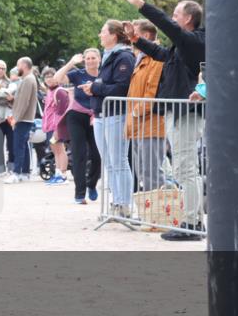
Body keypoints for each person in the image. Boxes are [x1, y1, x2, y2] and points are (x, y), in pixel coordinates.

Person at [121, 0, 206, 240]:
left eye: (177, 14)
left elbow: (166, 26)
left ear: (188, 18)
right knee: (182, 168)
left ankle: (192, 223)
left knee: (185, 168)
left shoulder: (193, 41)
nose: (172, 18)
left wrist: (140, 4)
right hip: (174, 112)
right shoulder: (180, 46)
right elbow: (160, 53)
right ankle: (191, 220)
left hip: (187, 114)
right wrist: (135, 39)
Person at [79, 21, 135, 216]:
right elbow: (107, 84)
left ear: (113, 35)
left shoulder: (124, 56)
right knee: (109, 162)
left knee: (119, 161)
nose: (100, 35)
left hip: (116, 114)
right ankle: (116, 202)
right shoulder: (108, 56)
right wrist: (94, 88)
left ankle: (125, 204)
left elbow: (122, 87)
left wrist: (95, 88)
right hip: (101, 114)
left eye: (103, 31)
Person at [123, 19, 166, 193]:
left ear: (146, 36)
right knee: (142, 172)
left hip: (150, 123)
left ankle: (157, 215)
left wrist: (135, 112)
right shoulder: (140, 58)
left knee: (152, 173)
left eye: (135, 32)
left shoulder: (156, 59)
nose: (131, 36)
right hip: (139, 124)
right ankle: (149, 213)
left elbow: (152, 91)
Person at [54, 49, 103, 203]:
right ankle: (79, 194)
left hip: (96, 117)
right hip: (76, 116)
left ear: (99, 59)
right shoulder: (78, 74)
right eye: (87, 58)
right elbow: (57, 79)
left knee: (97, 154)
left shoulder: (104, 75)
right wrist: (71, 63)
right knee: (78, 154)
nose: (90, 61)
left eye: (93, 58)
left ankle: (92, 184)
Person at [3, 57, 38, 184]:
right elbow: (22, 100)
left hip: (23, 118)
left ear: (24, 65)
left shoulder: (28, 80)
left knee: (18, 146)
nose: (17, 68)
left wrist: (15, 119)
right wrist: (12, 99)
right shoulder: (28, 79)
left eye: (18, 66)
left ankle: (17, 173)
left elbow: (24, 102)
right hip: (25, 118)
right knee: (23, 145)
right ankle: (24, 173)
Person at [40, 67, 70, 185]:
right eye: (46, 77)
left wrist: (58, 129)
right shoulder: (49, 92)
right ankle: (57, 174)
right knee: (55, 150)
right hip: (49, 126)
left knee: (60, 150)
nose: (49, 79)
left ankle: (63, 175)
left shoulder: (60, 91)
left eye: (51, 76)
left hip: (56, 127)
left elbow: (62, 112)